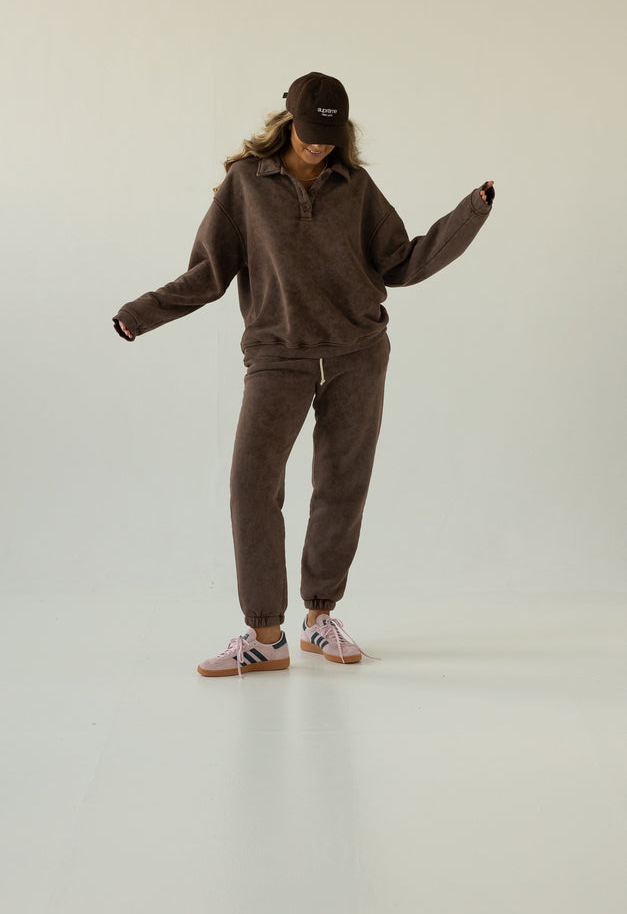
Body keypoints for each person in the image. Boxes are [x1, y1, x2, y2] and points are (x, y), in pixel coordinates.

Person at [113, 71, 495, 678]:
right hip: (278, 355)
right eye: (309, 131)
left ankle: (320, 618)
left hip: (358, 353)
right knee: (251, 483)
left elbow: (402, 263)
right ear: (288, 119)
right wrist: (141, 313)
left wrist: (470, 213)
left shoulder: (357, 187)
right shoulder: (245, 185)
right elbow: (208, 273)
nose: (318, 144)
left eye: (329, 134)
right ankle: (266, 635)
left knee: (342, 485)